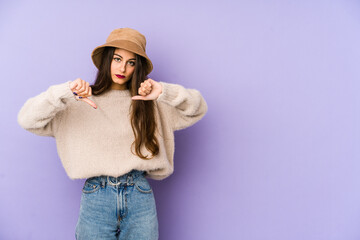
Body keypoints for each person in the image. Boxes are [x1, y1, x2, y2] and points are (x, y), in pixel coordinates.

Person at [17, 27, 208, 240]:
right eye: (117, 59)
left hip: (139, 195)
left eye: (131, 62)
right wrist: (65, 91)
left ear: (138, 67)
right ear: (107, 59)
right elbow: (27, 119)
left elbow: (197, 108)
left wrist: (163, 92)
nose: (123, 68)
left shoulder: (150, 102)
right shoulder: (78, 101)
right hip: (96, 197)